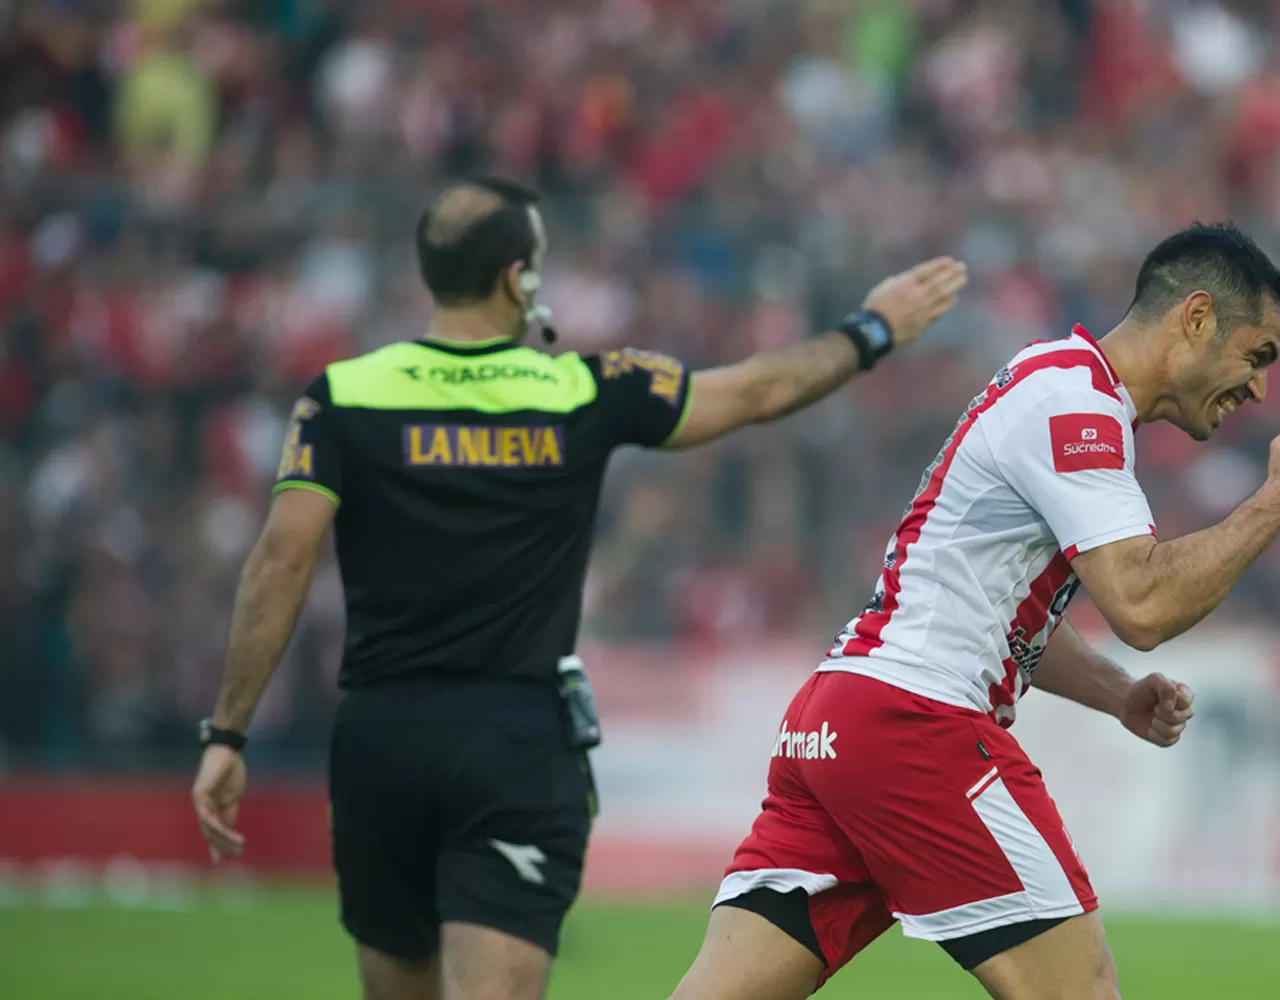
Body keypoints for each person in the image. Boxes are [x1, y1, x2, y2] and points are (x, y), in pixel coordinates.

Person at [187, 176, 968, 1000]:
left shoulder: (340, 397)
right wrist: (873, 328)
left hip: (382, 737)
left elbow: (281, 560)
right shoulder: (581, 389)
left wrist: (227, 734)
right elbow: (758, 390)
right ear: (518, 277)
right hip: (514, 741)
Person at [669, 223, 1280, 1000]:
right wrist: (1279, 500)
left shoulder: (1051, 384)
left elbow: (990, 613)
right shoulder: (1077, 406)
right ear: (1194, 318)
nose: (1258, 389)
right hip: (915, 725)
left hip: (836, 721)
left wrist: (1118, 694)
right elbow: (1143, 603)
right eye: (1256, 357)